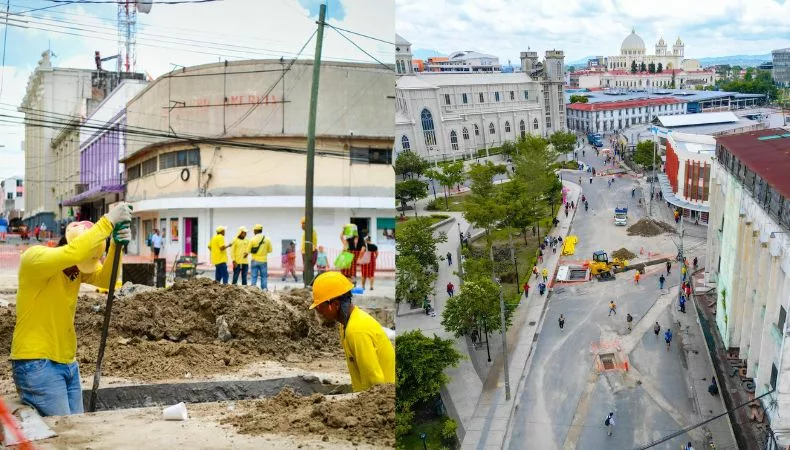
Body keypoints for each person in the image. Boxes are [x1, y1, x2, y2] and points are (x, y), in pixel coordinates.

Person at [10, 203, 132, 416]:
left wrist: (115, 246)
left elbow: (105, 279)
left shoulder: (75, 271)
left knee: (76, 430)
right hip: (36, 361)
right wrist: (107, 221)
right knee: (65, 434)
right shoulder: (35, 259)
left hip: (67, 362)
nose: (82, 267)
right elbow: (74, 253)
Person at [310, 272, 395, 392]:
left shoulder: (356, 331)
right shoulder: (347, 324)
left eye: (319, 307)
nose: (318, 311)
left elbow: (375, 382)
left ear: (334, 305)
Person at [248, 224, 273, 290]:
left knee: (254, 276)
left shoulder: (252, 240)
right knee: (264, 276)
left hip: (254, 260)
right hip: (263, 261)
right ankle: (264, 289)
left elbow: (248, 250)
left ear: (255, 231)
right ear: (261, 230)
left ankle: (253, 289)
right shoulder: (267, 239)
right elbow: (270, 250)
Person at [300, 217, 318, 282]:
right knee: (306, 269)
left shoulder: (310, 232)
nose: (301, 226)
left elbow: (311, 245)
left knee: (308, 269)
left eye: (303, 224)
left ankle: (308, 283)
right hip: (306, 253)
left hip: (308, 253)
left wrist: (309, 254)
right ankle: (307, 282)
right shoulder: (307, 232)